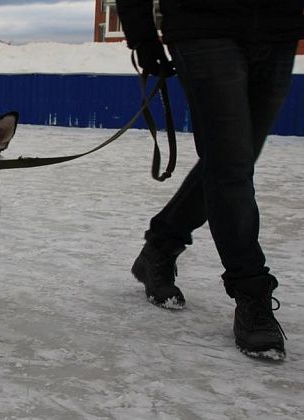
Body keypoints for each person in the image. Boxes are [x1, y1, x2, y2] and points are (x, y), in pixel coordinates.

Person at [115, 0, 304, 360]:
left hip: (280, 27)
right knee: (231, 165)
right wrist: (142, 36)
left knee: (233, 161)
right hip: (201, 26)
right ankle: (251, 291)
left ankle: (161, 245)